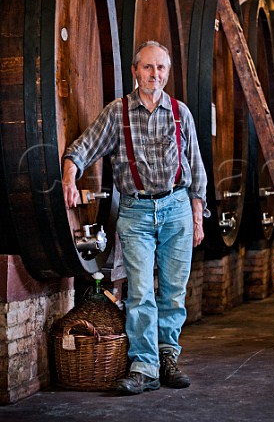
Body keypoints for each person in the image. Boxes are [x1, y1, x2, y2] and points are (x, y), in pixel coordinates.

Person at [62, 40, 208, 395]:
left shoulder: (180, 112)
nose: (154, 74)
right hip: (136, 211)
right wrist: (69, 176)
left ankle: (167, 355)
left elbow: (197, 168)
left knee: (173, 292)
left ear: (167, 73)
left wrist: (198, 216)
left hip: (176, 208)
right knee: (141, 291)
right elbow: (82, 148)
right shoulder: (117, 113)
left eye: (160, 68)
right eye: (147, 67)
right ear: (134, 71)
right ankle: (145, 367)